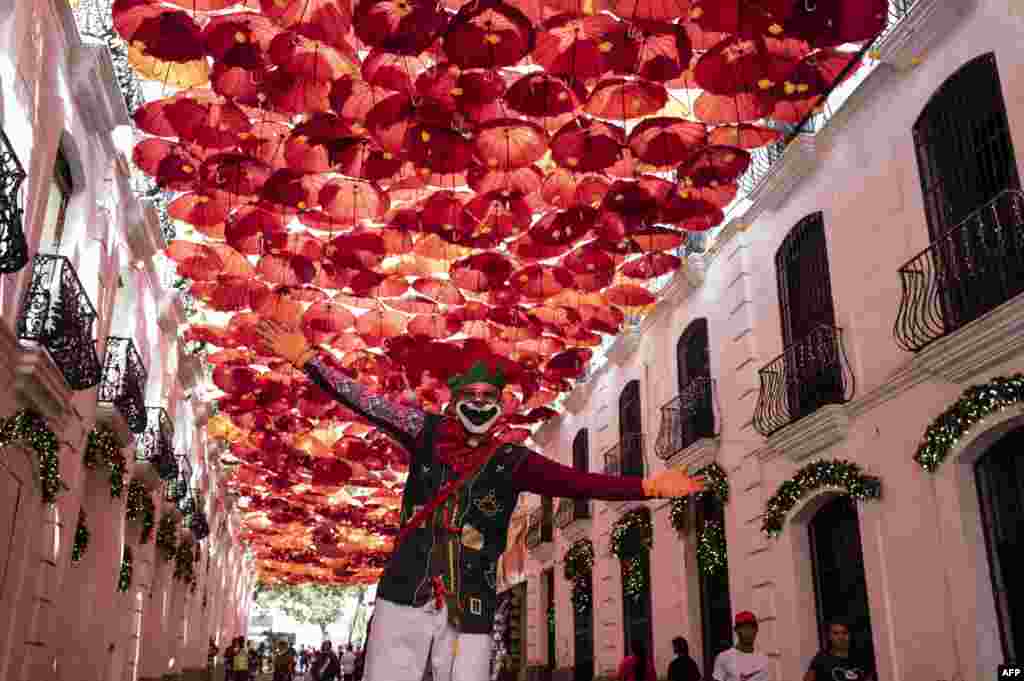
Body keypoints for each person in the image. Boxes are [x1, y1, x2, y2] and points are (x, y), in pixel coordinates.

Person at [257, 321, 705, 681]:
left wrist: (645, 487)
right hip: (404, 592)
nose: (478, 403)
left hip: (470, 605)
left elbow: (578, 482)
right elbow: (367, 403)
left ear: (500, 406)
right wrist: (307, 359)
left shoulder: (512, 460)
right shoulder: (423, 430)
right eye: (469, 396)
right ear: (454, 402)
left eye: (488, 397)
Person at [804, 619, 876, 681]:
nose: (841, 637)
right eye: (836, 633)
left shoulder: (861, 657)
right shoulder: (821, 659)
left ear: (850, 635)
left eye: (844, 633)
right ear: (829, 636)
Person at [712, 612, 771, 681]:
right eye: (744, 628)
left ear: (756, 630)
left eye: (752, 627)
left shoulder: (763, 658)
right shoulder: (724, 657)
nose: (749, 632)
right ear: (736, 630)